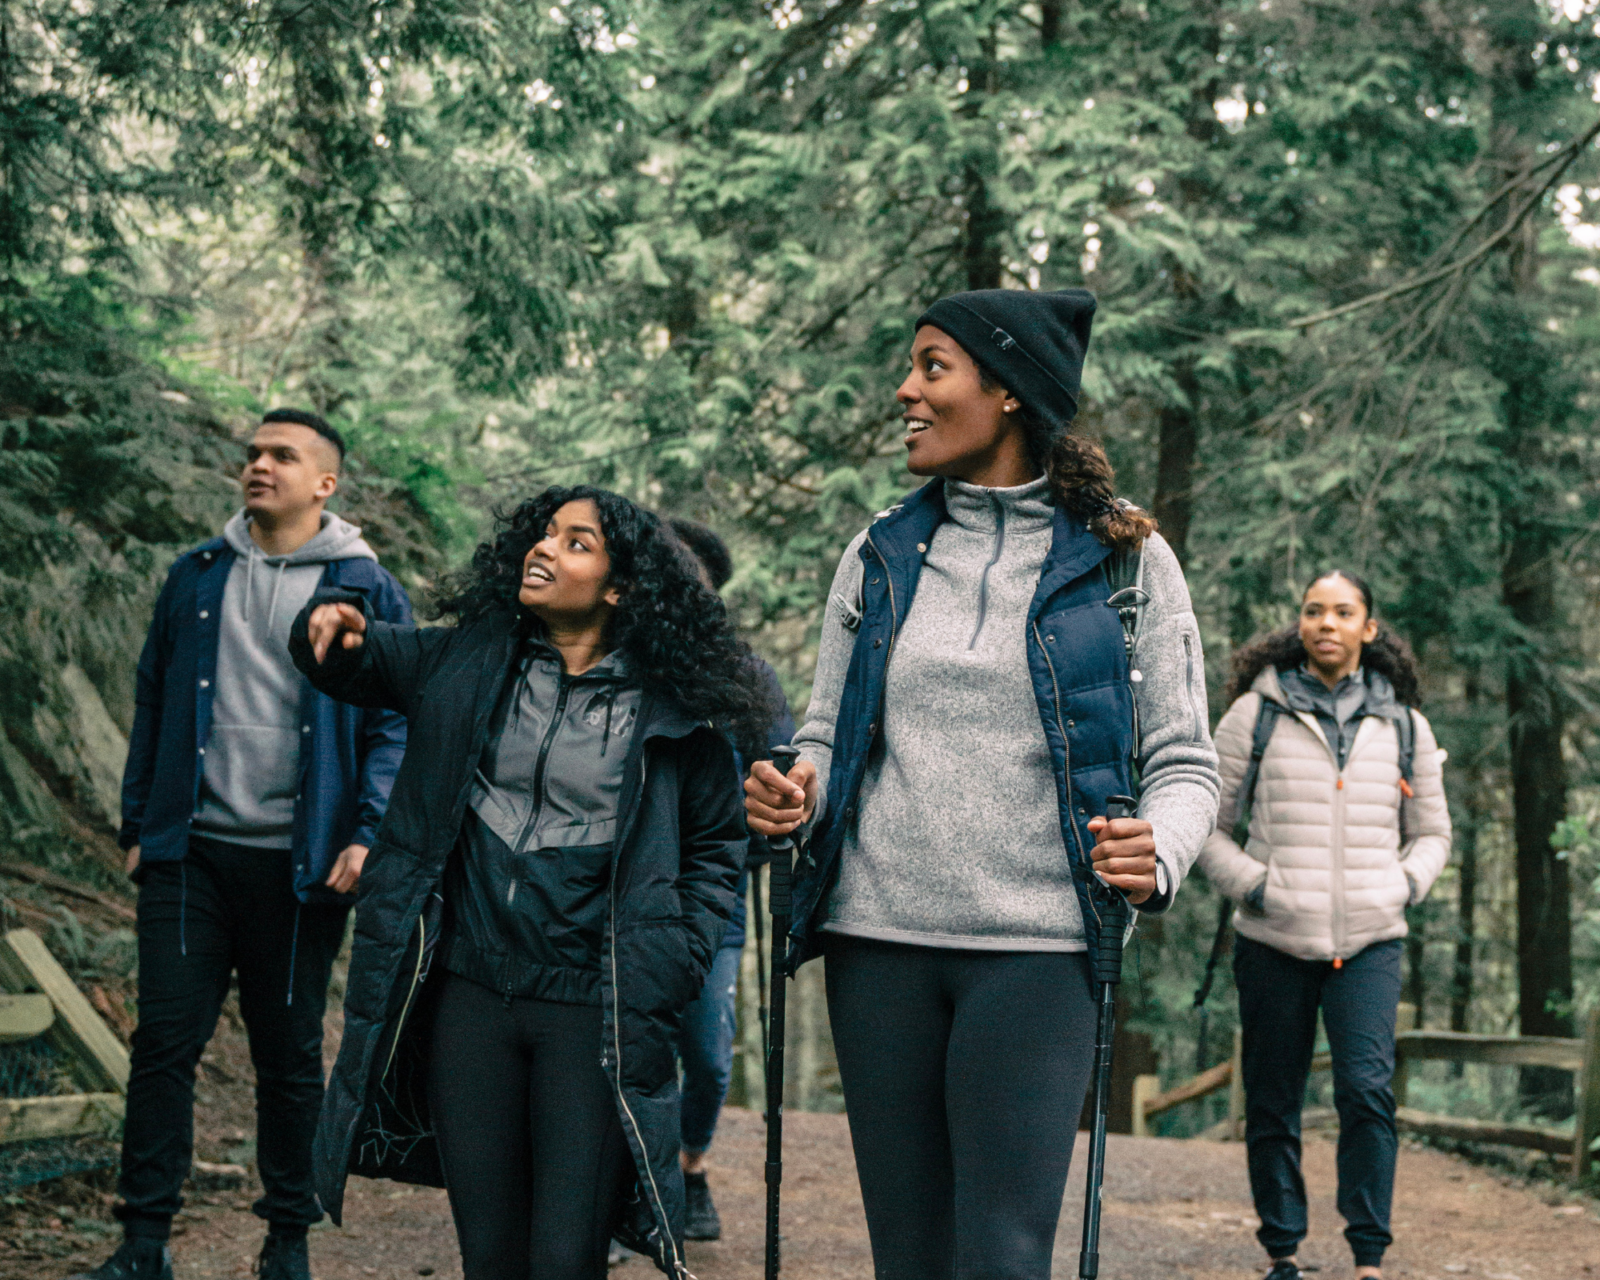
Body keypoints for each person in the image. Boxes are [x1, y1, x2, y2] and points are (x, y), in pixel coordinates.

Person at [743, 289, 1221, 1280]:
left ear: (1007, 391)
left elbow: (1183, 761)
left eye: (932, 366)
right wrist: (799, 788)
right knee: (908, 1256)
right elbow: (826, 731)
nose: (905, 391)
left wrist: (1160, 849)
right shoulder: (878, 553)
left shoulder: (1126, 561)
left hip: (1038, 952)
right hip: (876, 943)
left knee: (1002, 1253)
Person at [292, 486, 776, 1280]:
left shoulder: (679, 710)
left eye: (577, 542)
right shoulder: (465, 661)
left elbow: (716, 846)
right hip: (469, 996)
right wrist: (330, 618)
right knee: (490, 1254)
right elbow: (353, 659)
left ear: (621, 588)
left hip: (593, 1010)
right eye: (544, 534)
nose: (544, 549)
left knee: (564, 1256)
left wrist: (677, 956)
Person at [79, 410, 411, 1280]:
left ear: (325, 483)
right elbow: (153, 698)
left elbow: (395, 721)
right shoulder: (197, 573)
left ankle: (286, 1243)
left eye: (282, 456)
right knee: (164, 1044)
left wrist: (369, 833)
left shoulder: (368, 586)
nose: (259, 465)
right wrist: (139, 828)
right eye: (254, 453)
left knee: (288, 1056)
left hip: (302, 867)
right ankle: (143, 1243)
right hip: (190, 855)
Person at [1198, 570, 1451, 1280]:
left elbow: (1433, 833)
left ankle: (1368, 1255)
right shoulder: (1255, 716)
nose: (1327, 624)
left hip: (1371, 939)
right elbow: (1205, 826)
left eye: (1343, 612)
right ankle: (1282, 1251)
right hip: (1273, 939)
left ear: (1368, 628)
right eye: (1314, 611)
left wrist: (1403, 884)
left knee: (1366, 1093)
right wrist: (1256, 886)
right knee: (1272, 1098)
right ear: (1300, 623)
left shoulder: (1404, 724)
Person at [665, 517, 796, 1241]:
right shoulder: (616, 662)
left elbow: (779, 764)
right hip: (618, 889)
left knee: (710, 1057)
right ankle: (629, 1186)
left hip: (715, 892)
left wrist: (776, 819)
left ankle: (691, 1166)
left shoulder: (745, 676)